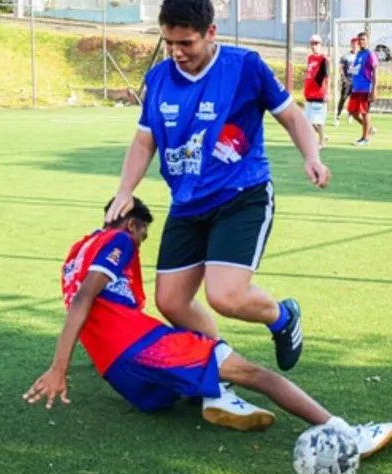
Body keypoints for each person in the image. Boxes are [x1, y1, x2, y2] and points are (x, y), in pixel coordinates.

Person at [24, 196, 392, 458]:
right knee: (256, 374)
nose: (140, 243)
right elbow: (83, 301)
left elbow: (86, 308)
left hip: (120, 375)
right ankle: (348, 434)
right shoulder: (119, 240)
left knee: (171, 391)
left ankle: (210, 393)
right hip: (145, 348)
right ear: (131, 222)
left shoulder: (76, 252)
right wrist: (59, 368)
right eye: (143, 235)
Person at [103, 0, 330, 382]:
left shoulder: (245, 67)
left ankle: (283, 315)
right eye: (169, 42)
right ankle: (217, 368)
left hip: (242, 195)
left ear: (211, 33)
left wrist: (312, 156)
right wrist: (125, 189)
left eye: (186, 43)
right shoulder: (159, 78)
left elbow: (292, 116)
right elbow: (144, 142)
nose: (176, 52)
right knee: (171, 302)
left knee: (225, 296)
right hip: (188, 203)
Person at [347, 32, 378, 146]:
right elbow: (357, 70)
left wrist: (374, 90)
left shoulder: (370, 54)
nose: (361, 42)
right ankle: (370, 129)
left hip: (366, 88)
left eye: (363, 39)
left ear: (368, 41)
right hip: (356, 88)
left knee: (365, 113)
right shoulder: (359, 54)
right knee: (352, 112)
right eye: (359, 40)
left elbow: (375, 73)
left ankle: (365, 138)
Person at [303, 34, 329, 149]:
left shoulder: (323, 59)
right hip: (309, 93)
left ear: (320, 44)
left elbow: (327, 77)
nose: (314, 46)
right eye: (312, 43)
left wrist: (328, 92)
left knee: (317, 121)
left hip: (318, 94)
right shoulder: (310, 58)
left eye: (316, 43)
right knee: (308, 122)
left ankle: (322, 141)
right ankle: (322, 136)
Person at [335, 38, 357, 126]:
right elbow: (340, 68)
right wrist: (343, 78)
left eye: (356, 44)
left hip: (355, 82)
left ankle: (350, 115)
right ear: (351, 45)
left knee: (353, 100)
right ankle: (338, 116)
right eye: (353, 44)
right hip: (347, 81)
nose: (354, 46)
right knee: (343, 98)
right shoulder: (346, 56)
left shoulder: (359, 56)